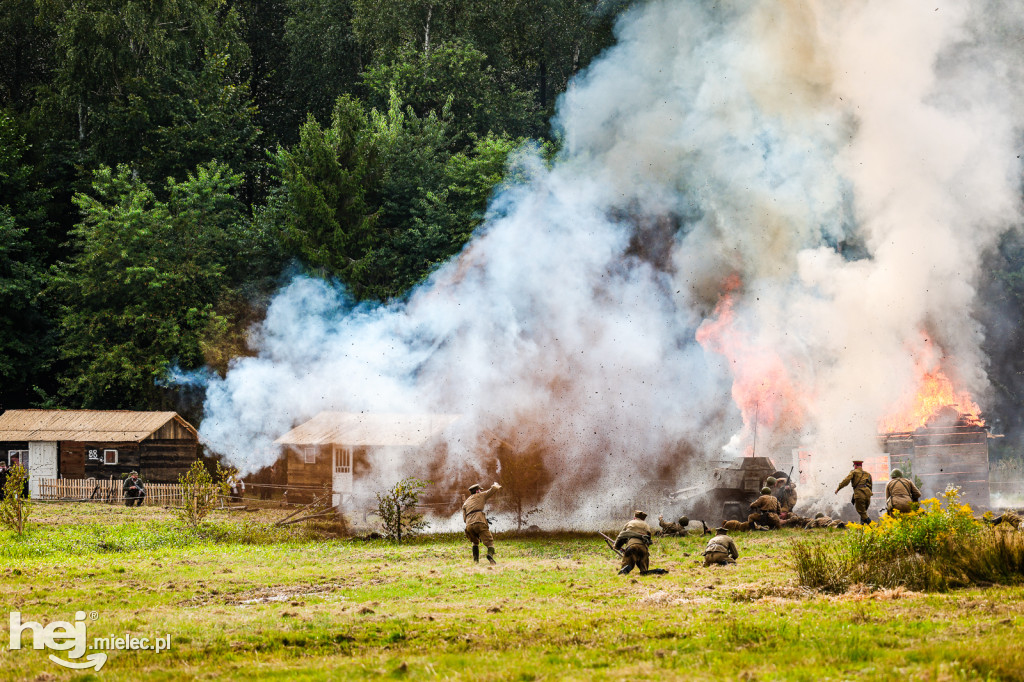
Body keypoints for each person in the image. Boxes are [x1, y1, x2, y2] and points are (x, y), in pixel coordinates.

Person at [462, 482, 501, 564]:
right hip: (479, 521)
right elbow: (493, 489)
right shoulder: (481, 495)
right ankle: (490, 556)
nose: (480, 491)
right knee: (490, 542)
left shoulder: (466, 502)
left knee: (475, 542)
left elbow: (464, 519)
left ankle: (476, 562)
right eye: (480, 490)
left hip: (468, 525)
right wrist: (495, 484)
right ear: (477, 491)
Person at [615, 510, 653, 575]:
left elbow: (621, 536)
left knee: (625, 567)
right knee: (644, 569)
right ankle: (644, 573)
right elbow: (649, 539)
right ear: (643, 519)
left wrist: (617, 546)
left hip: (632, 546)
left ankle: (623, 577)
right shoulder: (646, 525)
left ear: (635, 517)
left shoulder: (630, 523)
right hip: (643, 548)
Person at [836, 459, 873, 523]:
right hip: (868, 494)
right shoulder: (868, 474)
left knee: (861, 512)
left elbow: (846, 481)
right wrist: (869, 494)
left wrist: (838, 488)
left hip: (859, 494)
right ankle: (863, 528)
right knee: (864, 512)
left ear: (855, 466)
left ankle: (872, 525)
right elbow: (870, 485)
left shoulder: (854, 472)